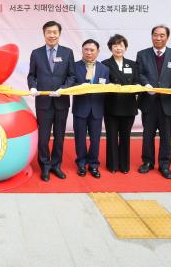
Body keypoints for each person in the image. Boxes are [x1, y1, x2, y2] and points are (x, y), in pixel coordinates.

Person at [136, 25, 171, 179]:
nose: (158, 38)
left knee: (166, 136)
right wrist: (146, 85)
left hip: (168, 102)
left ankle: (164, 165)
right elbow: (139, 73)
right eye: (155, 35)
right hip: (149, 102)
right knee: (148, 135)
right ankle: (147, 162)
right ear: (151, 36)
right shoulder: (142, 54)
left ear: (167, 37)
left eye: (162, 35)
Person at [27, 20, 76, 181]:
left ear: (59, 34)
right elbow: (31, 75)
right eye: (49, 32)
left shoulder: (67, 53)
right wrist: (32, 87)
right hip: (43, 102)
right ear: (44, 34)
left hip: (61, 102)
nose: (52, 35)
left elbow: (72, 76)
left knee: (60, 136)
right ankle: (45, 166)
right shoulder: (36, 53)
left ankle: (56, 165)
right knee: (43, 137)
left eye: (55, 32)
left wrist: (63, 89)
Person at [101, 34, 139, 174]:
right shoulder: (104, 64)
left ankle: (124, 166)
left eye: (121, 45)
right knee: (111, 137)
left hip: (128, 106)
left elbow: (137, 81)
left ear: (125, 48)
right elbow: (102, 82)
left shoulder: (132, 64)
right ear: (111, 48)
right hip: (111, 106)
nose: (118, 48)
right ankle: (112, 165)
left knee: (125, 137)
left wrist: (136, 86)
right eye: (115, 45)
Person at [71, 39, 109, 178]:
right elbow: (70, 84)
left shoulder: (104, 69)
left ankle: (93, 164)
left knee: (95, 139)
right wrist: (80, 87)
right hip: (80, 108)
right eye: (86, 49)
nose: (88, 52)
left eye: (92, 50)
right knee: (80, 138)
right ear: (82, 50)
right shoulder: (74, 66)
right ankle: (81, 163)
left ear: (98, 52)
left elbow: (107, 87)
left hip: (97, 109)